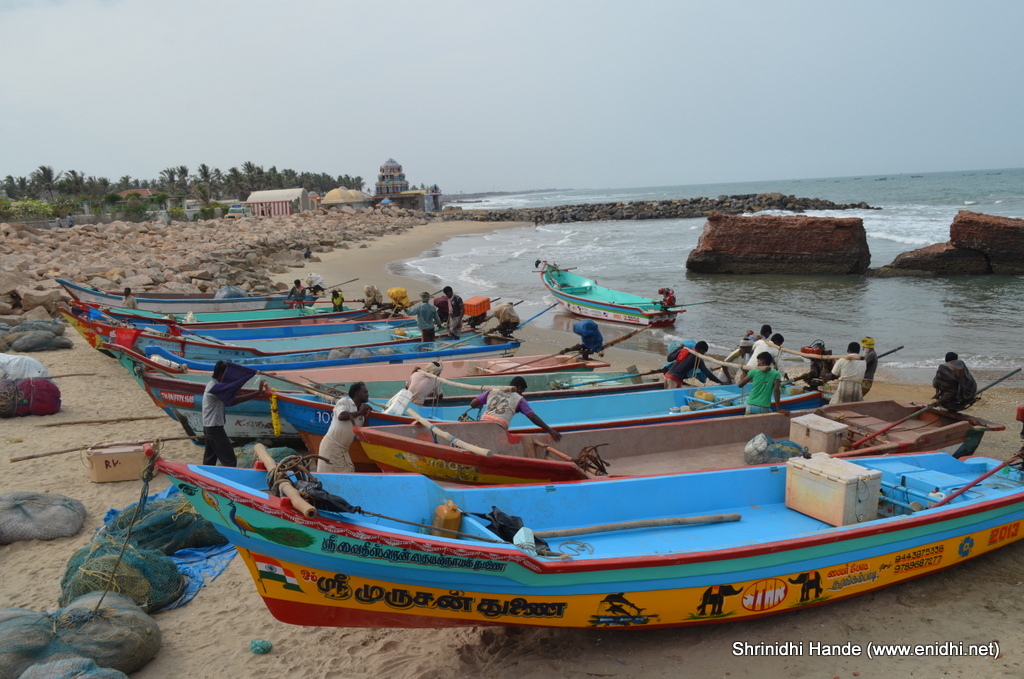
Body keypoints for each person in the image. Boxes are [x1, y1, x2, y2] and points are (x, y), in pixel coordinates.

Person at [202, 360, 268, 467]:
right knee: (230, 460)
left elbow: (231, 400)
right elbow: (232, 394)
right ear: (222, 374)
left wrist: (257, 392)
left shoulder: (215, 386)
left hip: (209, 427)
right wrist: (248, 376)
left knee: (210, 459)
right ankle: (229, 481)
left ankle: (204, 478)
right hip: (214, 429)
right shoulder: (215, 388)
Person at [470, 376, 562, 442]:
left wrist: (480, 404)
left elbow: (473, 404)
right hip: (498, 427)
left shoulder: (492, 391)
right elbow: (532, 417)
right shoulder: (519, 399)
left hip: (482, 424)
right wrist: (550, 430)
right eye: (522, 391)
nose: (521, 393)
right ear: (519, 388)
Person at [319, 382, 372, 473]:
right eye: (365, 392)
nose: (368, 394)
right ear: (357, 393)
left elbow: (363, 433)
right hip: (331, 446)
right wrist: (360, 412)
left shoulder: (361, 414)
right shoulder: (344, 402)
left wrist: (366, 416)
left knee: (347, 473)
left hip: (344, 450)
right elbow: (341, 416)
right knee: (329, 476)